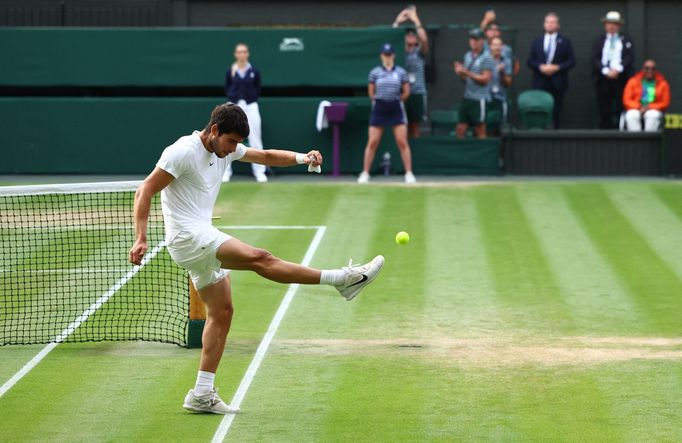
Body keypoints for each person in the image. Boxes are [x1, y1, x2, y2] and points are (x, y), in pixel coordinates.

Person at [129, 103, 385, 414]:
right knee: (259, 258)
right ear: (213, 131)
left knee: (222, 313)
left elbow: (264, 156)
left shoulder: (227, 150)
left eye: (238, 143)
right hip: (187, 238)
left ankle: (202, 393)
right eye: (231, 142)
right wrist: (141, 238)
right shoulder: (182, 151)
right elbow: (145, 190)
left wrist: (303, 158)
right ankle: (342, 280)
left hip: (199, 239)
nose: (235, 149)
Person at [358, 43, 416, 184]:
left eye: (389, 54)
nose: (387, 57)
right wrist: (378, 100)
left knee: (402, 142)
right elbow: (371, 91)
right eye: (385, 54)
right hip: (379, 108)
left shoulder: (401, 72)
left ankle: (409, 173)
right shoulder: (375, 72)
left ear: (394, 56)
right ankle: (365, 173)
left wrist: (397, 100)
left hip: (396, 108)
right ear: (381, 56)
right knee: (372, 142)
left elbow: (406, 91)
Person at [223, 43, 268, 183]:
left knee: (255, 139)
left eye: (244, 52)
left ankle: (260, 172)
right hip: (234, 106)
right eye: (239, 52)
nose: (241, 54)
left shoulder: (254, 71)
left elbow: (257, 89)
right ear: (235, 54)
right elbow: (228, 89)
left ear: (247, 54)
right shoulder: (230, 71)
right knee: (227, 137)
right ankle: (226, 172)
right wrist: (234, 73)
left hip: (251, 106)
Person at [526, 12, 576, 129]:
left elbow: (571, 61)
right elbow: (530, 61)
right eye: (548, 22)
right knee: (540, 108)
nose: (550, 25)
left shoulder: (565, 41)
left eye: (553, 22)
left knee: (556, 110)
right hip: (540, 81)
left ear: (558, 25)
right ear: (544, 24)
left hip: (558, 82)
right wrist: (540, 67)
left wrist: (557, 67)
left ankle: (555, 133)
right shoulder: (537, 41)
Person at [591, 11, 634, 129]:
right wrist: (605, 71)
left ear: (619, 25)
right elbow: (594, 58)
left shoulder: (626, 40)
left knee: (620, 106)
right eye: (609, 23)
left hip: (620, 78)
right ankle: (604, 130)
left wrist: (617, 70)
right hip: (603, 78)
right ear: (605, 25)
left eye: (614, 23)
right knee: (604, 107)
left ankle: (619, 129)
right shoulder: (599, 40)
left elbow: (629, 57)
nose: (611, 26)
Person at [392, 5, 429, 138]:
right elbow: (390, 39)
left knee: (415, 126)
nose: (412, 36)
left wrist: (415, 20)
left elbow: (424, 39)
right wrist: (397, 21)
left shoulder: (420, 52)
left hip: (417, 93)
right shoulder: (398, 51)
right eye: (409, 34)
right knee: (402, 126)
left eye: (414, 34)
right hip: (401, 94)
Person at [454, 28, 496, 139]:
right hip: (467, 98)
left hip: (480, 100)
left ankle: (482, 155)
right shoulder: (467, 55)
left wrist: (466, 72)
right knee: (460, 128)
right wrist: (460, 72)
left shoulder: (487, 57)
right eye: (471, 39)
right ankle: (461, 154)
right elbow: (465, 79)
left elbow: (485, 79)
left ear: (482, 41)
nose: (473, 42)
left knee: (480, 129)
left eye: (476, 39)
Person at [623, 60, 671, 131]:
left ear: (656, 70)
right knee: (631, 115)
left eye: (653, 69)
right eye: (647, 68)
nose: (650, 71)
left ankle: (649, 141)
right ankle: (637, 140)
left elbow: (665, 102)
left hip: (653, 109)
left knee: (652, 115)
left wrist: (649, 107)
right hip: (636, 108)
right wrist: (639, 107)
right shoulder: (633, 81)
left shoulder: (663, 84)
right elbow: (626, 100)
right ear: (643, 69)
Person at [488, 37, 513, 132]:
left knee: (502, 125)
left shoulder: (506, 62)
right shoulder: (485, 60)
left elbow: (508, 83)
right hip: (486, 97)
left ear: (502, 47)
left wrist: (502, 73)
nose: (497, 47)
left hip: (500, 97)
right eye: (494, 45)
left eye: (499, 45)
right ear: (490, 46)